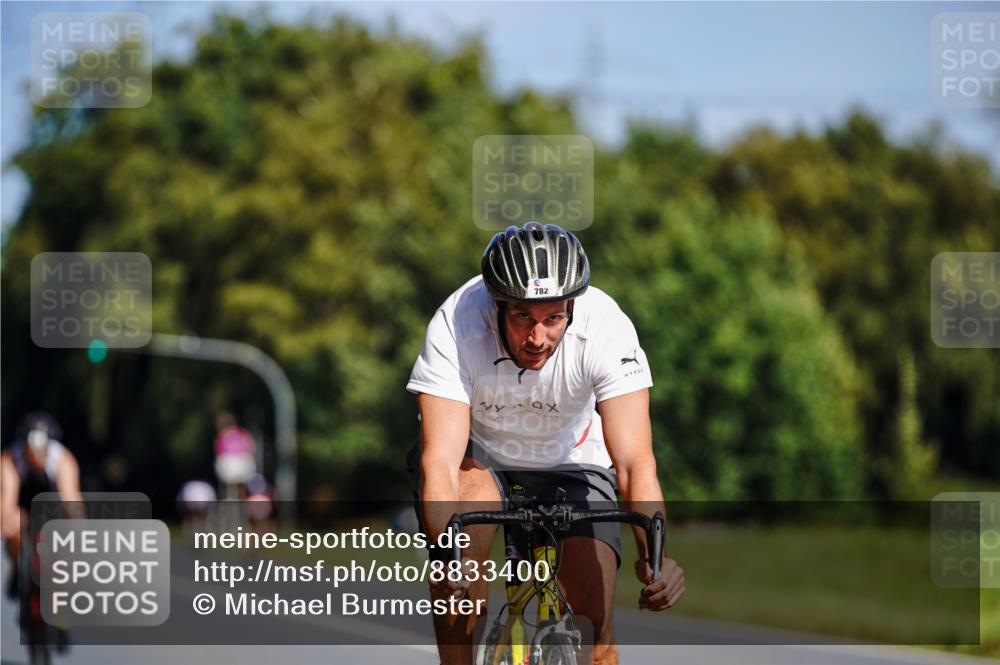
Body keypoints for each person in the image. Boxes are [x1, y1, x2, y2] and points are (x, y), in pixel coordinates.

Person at [406, 222, 685, 665]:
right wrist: (445, 556)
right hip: (482, 460)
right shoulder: (455, 323)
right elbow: (439, 460)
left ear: (572, 307)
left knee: (594, 620)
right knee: (459, 583)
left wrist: (656, 558)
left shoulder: (608, 326)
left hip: (573, 459)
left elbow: (635, 463)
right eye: (522, 318)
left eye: (553, 319)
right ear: (497, 304)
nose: (538, 338)